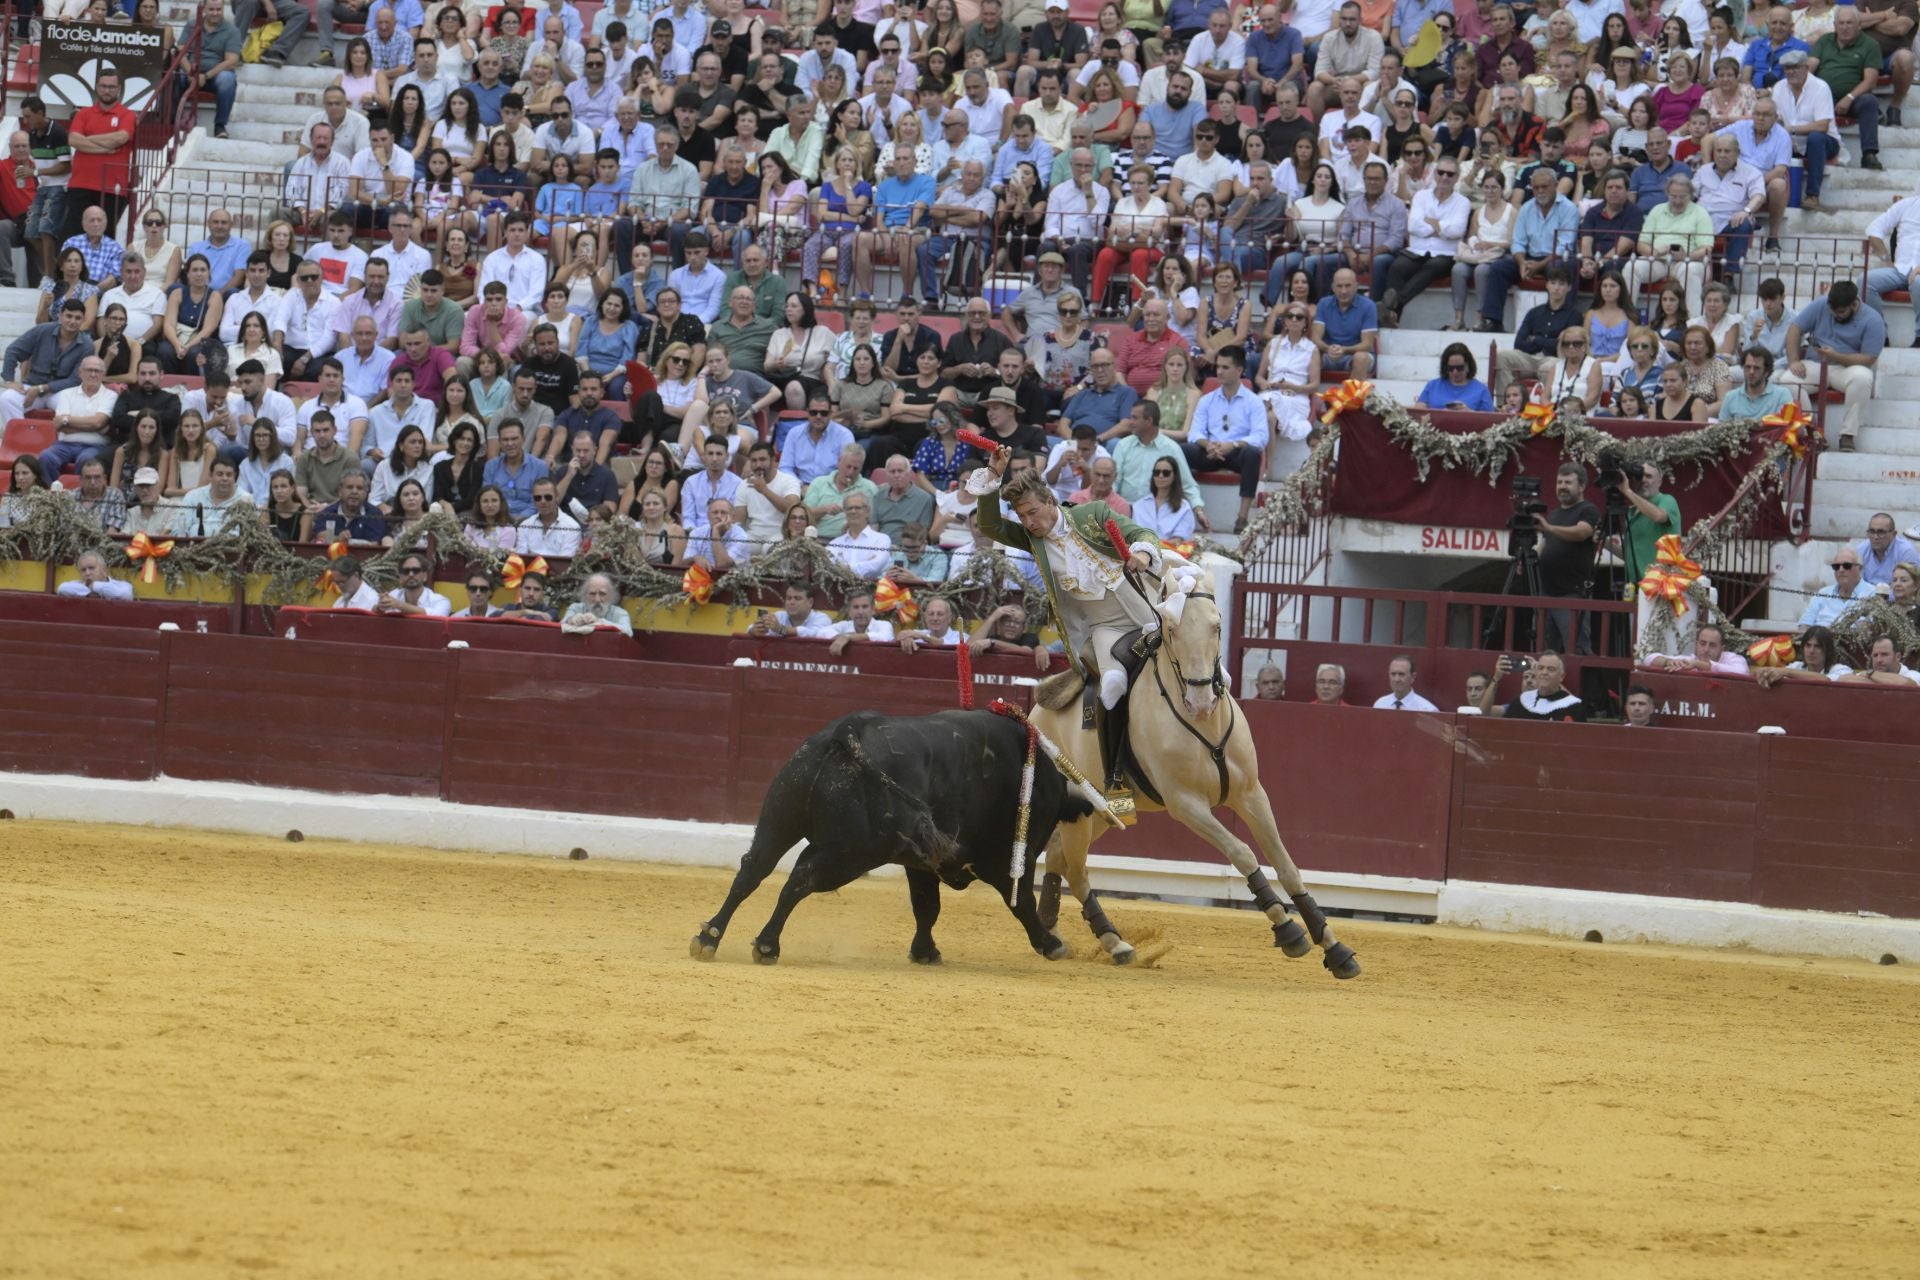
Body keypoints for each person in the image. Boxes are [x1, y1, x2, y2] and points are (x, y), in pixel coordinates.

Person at [1786, 280, 1884, 452]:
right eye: (1832, 311)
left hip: (1847, 367)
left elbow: (1868, 359)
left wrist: (1835, 356)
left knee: (1863, 378)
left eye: (1841, 312)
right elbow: (1795, 328)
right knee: (1788, 380)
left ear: (1854, 304)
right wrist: (1794, 360)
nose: (1836, 316)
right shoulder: (1822, 304)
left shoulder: (1873, 318)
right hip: (1815, 363)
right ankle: (1813, 432)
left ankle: (1848, 434)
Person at [1477, 650, 1587, 720]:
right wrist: (1496, 677)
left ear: (1562, 677)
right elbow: (1483, 714)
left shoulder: (1574, 707)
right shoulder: (1521, 701)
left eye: (1551, 669)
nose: (1544, 672)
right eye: (1540, 668)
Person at [1798, 544, 1878, 631]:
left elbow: (1874, 628)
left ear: (1859, 568)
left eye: (1847, 566)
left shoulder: (1873, 594)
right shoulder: (1822, 594)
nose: (1841, 570)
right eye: (1836, 567)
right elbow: (1805, 624)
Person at [1414, 343, 1494, 411]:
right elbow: (1418, 411)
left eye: (1459, 368)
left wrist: (1469, 413)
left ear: (1468, 366)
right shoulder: (1432, 386)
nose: (1455, 372)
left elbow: (1490, 419)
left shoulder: (1481, 390)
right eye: (1451, 368)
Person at [826, 586, 897, 655]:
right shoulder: (844, 625)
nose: (860, 612)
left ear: (873, 610)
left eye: (865, 607)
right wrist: (842, 638)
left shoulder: (884, 625)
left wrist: (849, 637)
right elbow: (822, 632)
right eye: (856, 607)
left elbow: (885, 637)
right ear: (849, 612)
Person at [1857, 514, 1920, 588]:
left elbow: (1912, 585)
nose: (1875, 536)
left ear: (1894, 534)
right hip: (1867, 596)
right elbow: (1857, 582)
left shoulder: (1906, 552)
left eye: (1881, 532)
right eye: (1872, 531)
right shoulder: (1862, 549)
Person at [560, 573, 635, 634]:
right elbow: (562, 624)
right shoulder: (576, 608)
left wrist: (599, 622)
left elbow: (628, 632)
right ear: (585, 595)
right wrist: (571, 620)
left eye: (602, 594)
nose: (597, 599)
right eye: (592, 594)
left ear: (610, 595)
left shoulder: (620, 613)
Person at [55, 549, 133, 601]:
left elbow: (126, 593)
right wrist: (91, 591)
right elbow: (62, 588)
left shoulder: (121, 585)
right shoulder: (78, 585)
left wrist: (95, 586)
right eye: (83, 570)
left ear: (104, 571)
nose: (87, 573)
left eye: (91, 568)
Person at [1839, 636, 1920, 686]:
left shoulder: (1913, 675)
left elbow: (1905, 684)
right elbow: (1842, 680)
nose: (1879, 660)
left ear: (1897, 657)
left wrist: (1870, 674)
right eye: (1875, 655)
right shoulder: (1870, 675)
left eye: (1884, 654)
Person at [1372, 655, 1439, 710]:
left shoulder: (1427, 709)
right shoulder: (1380, 704)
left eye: (1401, 674)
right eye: (1393, 674)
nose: (1396, 679)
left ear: (1413, 677)